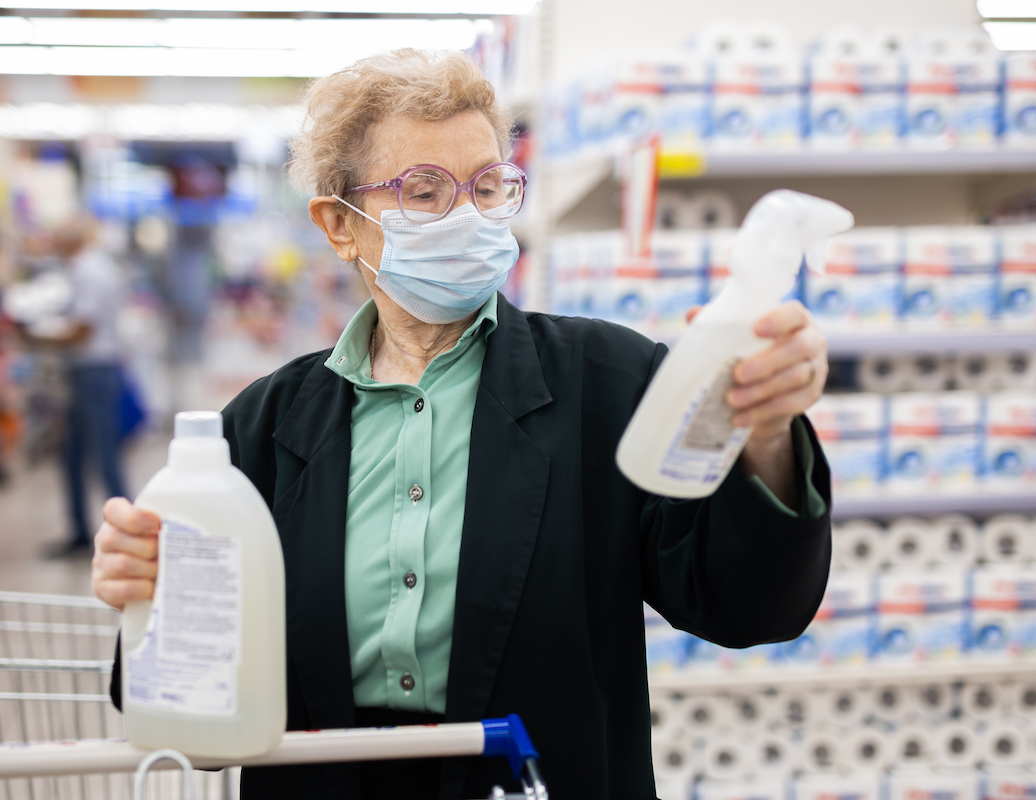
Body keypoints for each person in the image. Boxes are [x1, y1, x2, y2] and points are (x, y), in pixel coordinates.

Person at [91, 49, 832, 799]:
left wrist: (765, 435)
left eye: (486, 187)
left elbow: (750, 607)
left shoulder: (610, 383)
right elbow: (198, 715)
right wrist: (150, 596)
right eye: (423, 191)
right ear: (339, 225)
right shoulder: (260, 429)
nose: (467, 217)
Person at [28, 218, 129, 558]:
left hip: (94, 372)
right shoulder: (85, 268)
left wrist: (36, 335)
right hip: (86, 372)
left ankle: (128, 533)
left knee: (103, 456)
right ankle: (80, 532)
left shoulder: (90, 271)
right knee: (72, 456)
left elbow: (83, 330)